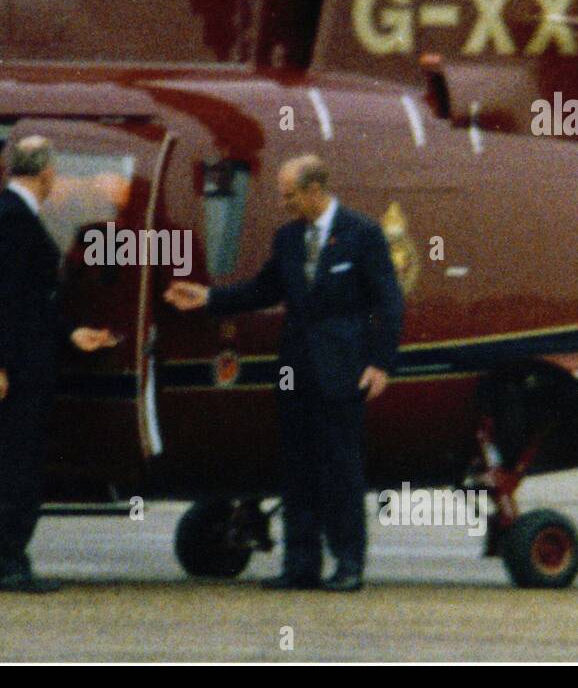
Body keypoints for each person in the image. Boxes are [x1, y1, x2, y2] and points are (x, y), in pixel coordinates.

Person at [165, 154, 404, 591]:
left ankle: (349, 564)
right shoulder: (289, 238)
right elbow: (264, 289)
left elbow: (388, 303)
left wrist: (381, 363)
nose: (281, 201)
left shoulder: (363, 234)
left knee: (341, 471)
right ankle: (300, 566)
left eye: (288, 194)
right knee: (298, 471)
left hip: (343, 372)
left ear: (315, 190)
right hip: (296, 372)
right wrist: (209, 299)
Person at [0, 136, 117, 593]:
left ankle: (11, 558)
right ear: (45, 172)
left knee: (21, 460)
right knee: (12, 464)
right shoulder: (11, 220)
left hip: (28, 361)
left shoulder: (16, 216)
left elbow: (30, 301)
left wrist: (69, 333)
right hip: (15, 367)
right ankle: (4, 563)